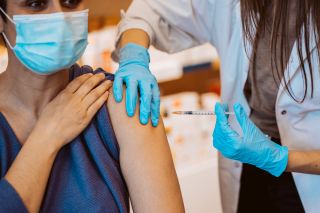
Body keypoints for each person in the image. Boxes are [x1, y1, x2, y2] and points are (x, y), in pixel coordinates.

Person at [113, 0, 320, 212]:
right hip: (247, 160)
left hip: (310, 177)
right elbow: (149, 10)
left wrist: (280, 159)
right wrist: (134, 57)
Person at [0, 0, 184, 212]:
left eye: (70, 1)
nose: (60, 17)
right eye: (36, 3)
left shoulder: (120, 101)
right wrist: (48, 135)